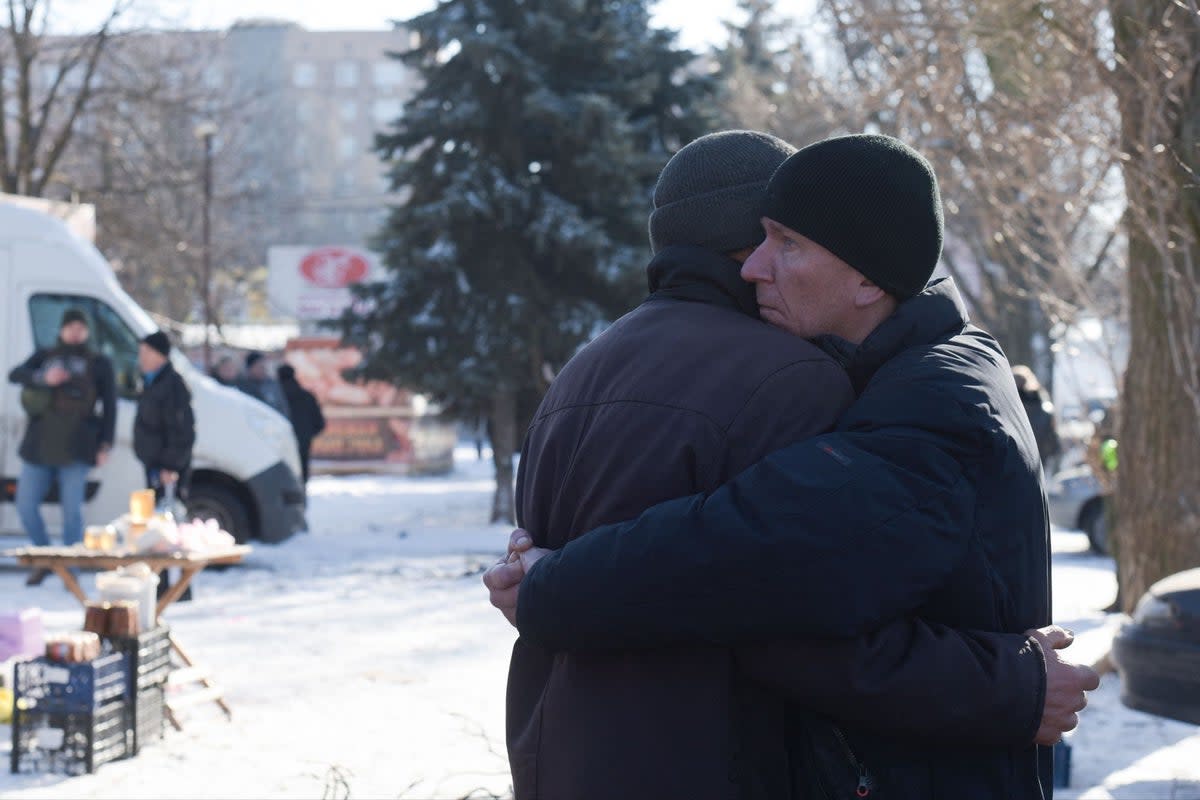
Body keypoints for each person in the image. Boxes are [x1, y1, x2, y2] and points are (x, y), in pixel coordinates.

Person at [485, 133, 1098, 799]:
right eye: (760, 239)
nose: (757, 268)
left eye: (788, 243)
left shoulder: (925, 399)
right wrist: (1013, 685)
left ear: (868, 277)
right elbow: (764, 583)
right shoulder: (868, 373)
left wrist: (546, 586)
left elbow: (754, 564)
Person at [7, 308, 117, 584]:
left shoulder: (98, 362)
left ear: (87, 331)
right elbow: (15, 374)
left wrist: (105, 443)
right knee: (25, 504)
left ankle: (70, 570)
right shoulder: (46, 355)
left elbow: (111, 406)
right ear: (62, 330)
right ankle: (46, 558)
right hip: (40, 445)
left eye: (81, 327)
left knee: (73, 513)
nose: (76, 332)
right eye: (71, 327)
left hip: (78, 447)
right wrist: (43, 378)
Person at [134, 330, 196, 601]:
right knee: (156, 527)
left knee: (171, 527)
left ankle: (180, 587)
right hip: (155, 466)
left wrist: (172, 466)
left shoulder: (172, 384)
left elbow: (182, 431)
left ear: (159, 355)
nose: (141, 358)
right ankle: (160, 584)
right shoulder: (151, 382)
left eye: (146, 353)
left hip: (169, 469)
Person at [277, 364, 325, 485]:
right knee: (301, 478)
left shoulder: (276, 397)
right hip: (303, 443)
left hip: (279, 444)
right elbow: (319, 423)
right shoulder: (307, 396)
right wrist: (306, 435)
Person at [1013, 364, 1062, 476]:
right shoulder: (1044, 405)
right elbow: (1052, 437)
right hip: (1038, 460)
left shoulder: (1008, 406)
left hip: (1015, 460)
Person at [238, 351, 290, 418]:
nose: (263, 369)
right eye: (259, 366)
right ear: (250, 368)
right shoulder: (242, 386)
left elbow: (283, 407)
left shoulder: (272, 385)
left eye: (263, 366)